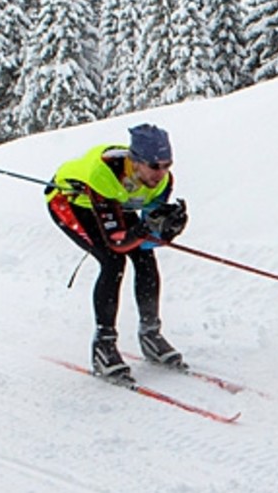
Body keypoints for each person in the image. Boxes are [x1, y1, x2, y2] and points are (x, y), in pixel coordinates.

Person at [45, 123, 189, 382]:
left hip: (114, 201)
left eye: (167, 164)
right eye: (154, 166)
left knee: (145, 259)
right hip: (70, 201)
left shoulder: (163, 182)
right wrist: (146, 229)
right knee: (112, 261)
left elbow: (145, 242)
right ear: (135, 161)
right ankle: (104, 345)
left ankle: (150, 333)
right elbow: (117, 243)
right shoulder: (105, 173)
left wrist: (167, 232)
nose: (161, 173)